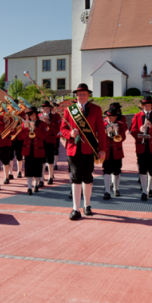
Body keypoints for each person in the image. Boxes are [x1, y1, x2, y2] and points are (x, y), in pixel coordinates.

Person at [60, 84, 107, 220]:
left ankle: (87, 205)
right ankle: (75, 209)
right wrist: (70, 134)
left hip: (89, 148)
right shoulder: (69, 110)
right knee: (75, 177)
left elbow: (101, 132)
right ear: (76, 96)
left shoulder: (96, 109)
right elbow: (62, 129)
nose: (81, 96)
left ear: (88, 95)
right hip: (73, 149)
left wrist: (102, 149)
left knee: (87, 177)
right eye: (79, 94)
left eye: (84, 94)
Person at [129, 96, 152, 201]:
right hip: (141, 146)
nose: (147, 106)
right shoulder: (137, 116)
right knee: (142, 169)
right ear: (142, 105)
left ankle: (149, 188)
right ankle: (144, 191)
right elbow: (132, 131)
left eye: (148, 104)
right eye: (145, 105)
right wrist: (139, 130)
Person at [18, 106, 48, 194]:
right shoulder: (24, 123)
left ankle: (36, 185)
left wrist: (36, 129)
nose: (32, 117)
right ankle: (29, 187)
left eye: (34, 115)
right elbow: (21, 137)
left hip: (38, 149)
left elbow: (44, 136)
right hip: (28, 149)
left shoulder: (42, 124)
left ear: (37, 115)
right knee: (28, 168)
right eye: (30, 115)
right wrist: (27, 129)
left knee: (37, 168)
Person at [103, 104, 127, 198]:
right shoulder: (103, 124)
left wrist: (118, 132)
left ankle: (116, 189)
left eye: (114, 117)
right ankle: (107, 191)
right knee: (106, 171)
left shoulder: (120, 124)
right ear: (107, 116)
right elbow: (98, 137)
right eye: (110, 117)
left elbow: (123, 138)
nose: (112, 119)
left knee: (117, 171)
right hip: (107, 151)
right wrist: (105, 132)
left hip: (117, 151)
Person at [41, 101, 61, 185]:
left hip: (50, 139)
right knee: (42, 159)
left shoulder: (55, 116)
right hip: (41, 140)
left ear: (50, 108)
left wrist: (48, 122)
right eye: (44, 108)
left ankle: (50, 176)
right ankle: (41, 178)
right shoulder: (39, 116)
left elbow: (57, 129)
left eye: (47, 108)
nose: (45, 109)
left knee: (50, 159)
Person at [9, 99, 26, 178]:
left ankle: (19, 172)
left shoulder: (22, 114)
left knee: (19, 155)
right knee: (10, 155)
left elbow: (25, 123)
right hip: (11, 137)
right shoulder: (9, 114)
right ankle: (10, 172)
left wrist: (20, 126)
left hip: (19, 137)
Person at [52, 103, 61, 170]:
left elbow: (60, 125)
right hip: (48, 136)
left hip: (56, 136)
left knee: (55, 150)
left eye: (56, 107)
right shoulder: (45, 115)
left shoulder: (58, 116)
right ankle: (47, 164)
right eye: (53, 107)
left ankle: (55, 164)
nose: (55, 108)